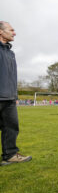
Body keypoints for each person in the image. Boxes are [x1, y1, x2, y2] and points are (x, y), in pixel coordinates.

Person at [0, 21, 32, 166]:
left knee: (11, 127)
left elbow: (12, 76)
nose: (14, 33)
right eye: (11, 30)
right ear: (1, 31)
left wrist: (15, 96)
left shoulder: (10, 53)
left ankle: (10, 155)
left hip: (10, 98)